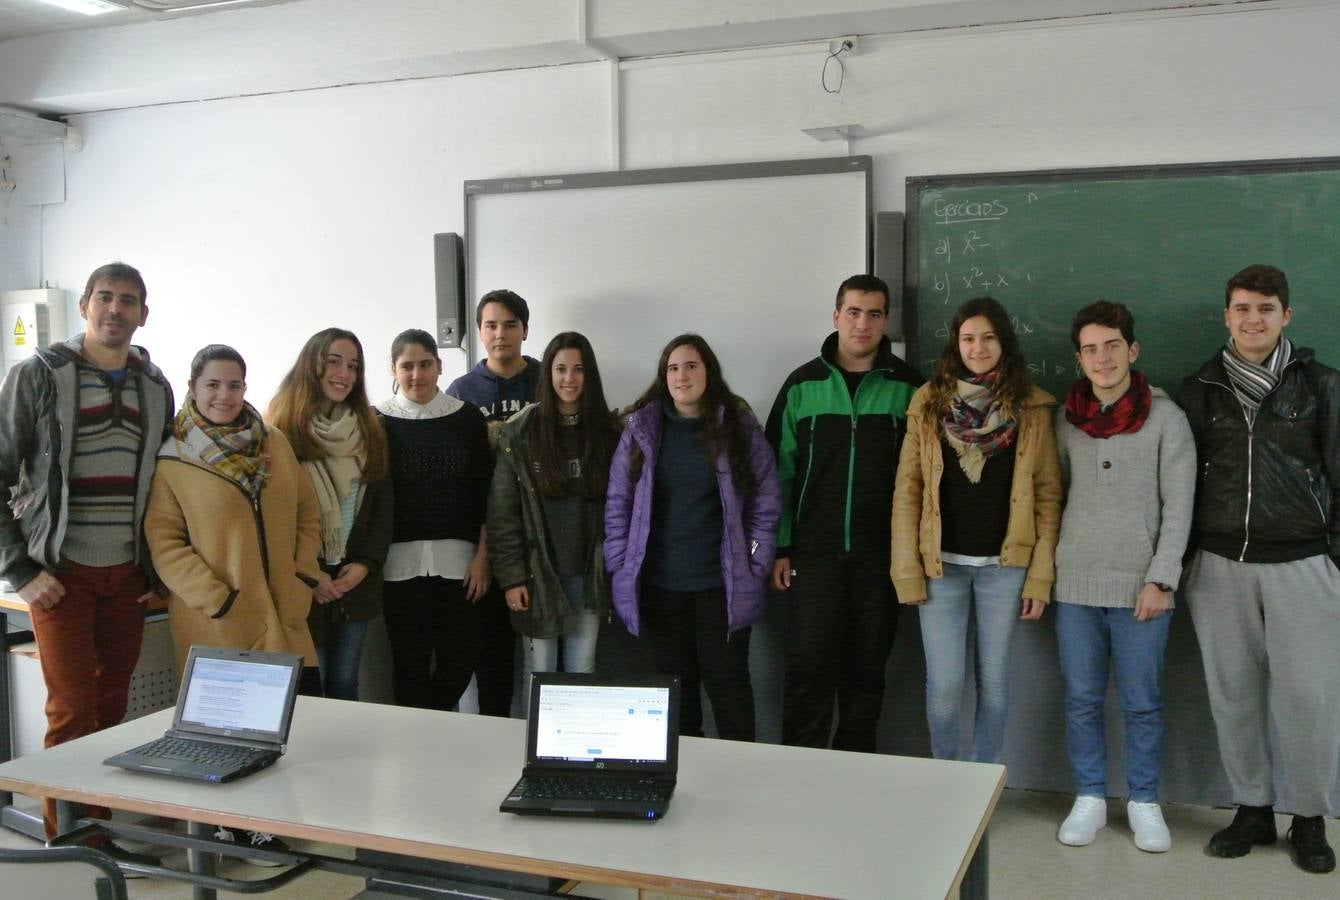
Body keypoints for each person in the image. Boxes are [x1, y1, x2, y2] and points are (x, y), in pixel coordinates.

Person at [0, 262, 172, 862]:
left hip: (125, 577)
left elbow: (161, 486)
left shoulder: (156, 386)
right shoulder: (39, 374)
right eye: (105, 298)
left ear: (143, 314)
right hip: (59, 575)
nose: (115, 310)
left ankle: (98, 831)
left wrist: (156, 574)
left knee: (111, 708)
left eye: (128, 301)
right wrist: (21, 570)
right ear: (85, 306)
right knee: (71, 710)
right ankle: (70, 842)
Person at [1176, 264, 1340, 874]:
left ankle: (1309, 816)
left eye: (1265, 309)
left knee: (1309, 699)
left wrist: (1333, 559)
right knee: (1234, 697)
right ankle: (1251, 807)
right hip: (1220, 566)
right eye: (1242, 308)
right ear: (1226, 316)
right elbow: (1181, 482)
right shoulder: (1197, 388)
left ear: (1286, 316)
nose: (1253, 319)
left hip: (1304, 564)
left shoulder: (1323, 386)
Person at [145, 343, 320, 859]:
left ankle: (265, 823)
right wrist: (218, 599)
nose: (225, 396)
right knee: (225, 734)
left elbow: (308, 514)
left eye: (235, 385)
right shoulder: (174, 457)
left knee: (279, 729)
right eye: (213, 385)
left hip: (283, 612)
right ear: (194, 388)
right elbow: (165, 543)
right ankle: (231, 832)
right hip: (217, 619)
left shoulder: (275, 444)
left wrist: (303, 576)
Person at [891, 296, 1061, 764]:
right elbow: (908, 490)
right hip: (940, 568)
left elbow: (1048, 497)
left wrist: (1040, 576)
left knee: (997, 682)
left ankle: (983, 783)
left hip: (1004, 569)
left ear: (1003, 343)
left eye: (988, 337)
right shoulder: (928, 403)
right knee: (944, 688)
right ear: (956, 344)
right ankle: (947, 779)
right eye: (969, 338)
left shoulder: (1033, 407)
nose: (978, 347)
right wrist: (906, 571)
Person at [1052, 302, 1195, 853]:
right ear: (1080, 358)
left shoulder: (1167, 418)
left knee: (1142, 702)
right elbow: (1055, 496)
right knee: (1081, 698)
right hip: (1076, 586)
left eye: (1112, 345)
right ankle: (1089, 796)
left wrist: (1161, 578)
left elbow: (1180, 507)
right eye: (1090, 348)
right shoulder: (1065, 420)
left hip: (1142, 588)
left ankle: (1143, 801)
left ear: (1132, 351)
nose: (1102, 357)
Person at [765, 273, 923, 751]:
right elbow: (777, 475)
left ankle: (854, 773)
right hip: (813, 555)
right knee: (808, 667)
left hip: (882, 557)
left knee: (866, 671)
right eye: (853, 312)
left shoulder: (909, 388)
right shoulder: (802, 385)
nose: (863, 323)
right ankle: (802, 770)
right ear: (836, 317)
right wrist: (779, 546)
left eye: (874, 314)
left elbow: (924, 481)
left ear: (886, 322)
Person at [606, 334, 780, 741]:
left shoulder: (737, 424)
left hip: (723, 585)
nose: (681, 376)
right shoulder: (642, 427)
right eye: (673, 368)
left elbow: (765, 499)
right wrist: (618, 566)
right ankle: (684, 783)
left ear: (708, 372)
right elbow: (618, 504)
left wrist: (755, 560)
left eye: (691, 366)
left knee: (729, 687)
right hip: (661, 586)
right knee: (675, 694)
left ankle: (740, 780)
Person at [488, 332, 620, 702]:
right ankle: (537, 757)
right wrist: (512, 577)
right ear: (547, 374)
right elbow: (503, 515)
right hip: (537, 575)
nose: (569, 378)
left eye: (578, 369)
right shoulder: (520, 431)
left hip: (588, 572)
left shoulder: (609, 433)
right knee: (539, 674)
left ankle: (578, 756)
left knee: (582, 671)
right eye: (560, 369)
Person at [378, 329, 502, 713]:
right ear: (394, 370)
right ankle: (418, 743)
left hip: (461, 564)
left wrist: (483, 557)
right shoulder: (376, 420)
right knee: (409, 664)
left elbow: (486, 493)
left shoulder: (464, 418)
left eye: (425, 364)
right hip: (398, 565)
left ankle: (435, 723)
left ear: (439, 366)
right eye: (407, 366)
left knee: (460, 659)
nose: (417, 374)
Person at [267, 328, 393, 701]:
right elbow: (277, 519)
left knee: (345, 681)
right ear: (313, 365)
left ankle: (345, 759)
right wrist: (310, 572)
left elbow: (381, 509)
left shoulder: (369, 429)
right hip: (305, 581)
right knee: (310, 686)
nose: (344, 374)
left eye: (353, 366)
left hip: (355, 579)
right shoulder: (280, 432)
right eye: (334, 362)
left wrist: (365, 564)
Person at [447, 289, 541, 440]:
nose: (500, 334)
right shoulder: (460, 392)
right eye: (491, 326)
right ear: (480, 333)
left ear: (525, 331)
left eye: (510, 325)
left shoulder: (548, 380)